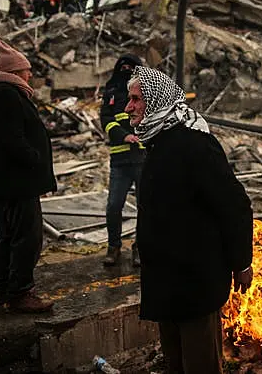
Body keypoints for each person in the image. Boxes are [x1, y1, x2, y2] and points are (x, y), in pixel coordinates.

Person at [125, 66, 253, 373]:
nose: (128, 107)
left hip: (195, 283)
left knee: (200, 364)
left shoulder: (195, 144)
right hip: (167, 283)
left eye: (135, 99)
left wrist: (241, 263)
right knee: (176, 364)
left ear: (155, 101)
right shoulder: (158, 142)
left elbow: (234, 205)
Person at [0, 40, 56, 313]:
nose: (30, 74)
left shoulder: (3, 94)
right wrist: (35, 159)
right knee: (27, 238)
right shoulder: (6, 96)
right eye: (26, 70)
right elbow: (11, 140)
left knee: (9, 237)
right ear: (14, 72)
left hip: (10, 181)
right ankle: (20, 294)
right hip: (15, 182)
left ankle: (1, 291)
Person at [100, 54, 144, 267]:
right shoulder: (111, 92)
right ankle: (114, 246)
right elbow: (106, 120)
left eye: (131, 67)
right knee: (114, 206)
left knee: (145, 207)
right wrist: (123, 136)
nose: (126, 70)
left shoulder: (146, 91)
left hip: (143, 158)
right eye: (123, 67)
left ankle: (140, 248)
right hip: (120, 159)